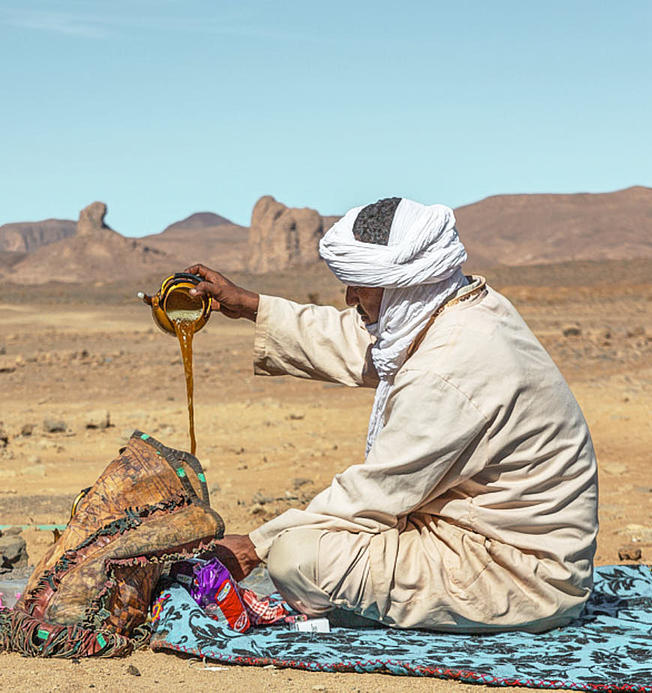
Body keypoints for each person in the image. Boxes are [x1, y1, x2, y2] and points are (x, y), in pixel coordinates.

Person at [193, 196, 598, 633]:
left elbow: (376, 492)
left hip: (519, 573)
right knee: (324, 538)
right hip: (479, 530)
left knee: (297, 557)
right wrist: (250, 305)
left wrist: (254, 548)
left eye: (359, 285)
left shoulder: (447, 368)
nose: (349, 298)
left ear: (403, 284)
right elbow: (363, 342)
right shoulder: (457, 309)